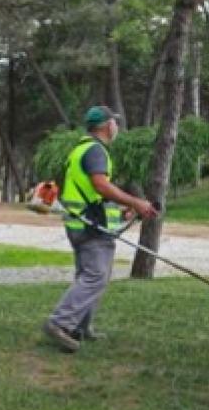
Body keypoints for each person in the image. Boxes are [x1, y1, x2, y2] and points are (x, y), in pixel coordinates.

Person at [42, 106, 157, 353]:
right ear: (107, 125)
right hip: (90, 227)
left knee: (90, 275)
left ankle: (80, 327)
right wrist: (136, 202)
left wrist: (123, 209)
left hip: (80, 223)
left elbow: (95, 192)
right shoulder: (96, 151)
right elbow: (101, 186)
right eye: (115, 122)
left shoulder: (81, 149)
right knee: (95, 276)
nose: (117, 127)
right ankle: (60, 323)